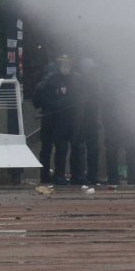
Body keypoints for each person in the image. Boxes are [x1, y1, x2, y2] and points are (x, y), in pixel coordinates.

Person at [32, 55, 80, 185]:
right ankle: (47, 175)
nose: (66, 68)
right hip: (51, 118)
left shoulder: (74, 80)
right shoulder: (49, 80)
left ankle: (70, 175)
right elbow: (37, 100)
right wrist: (54, 104)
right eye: (64, 65)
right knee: (49, 147)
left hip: (68, 119)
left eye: (68, 65)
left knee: (67, 147)